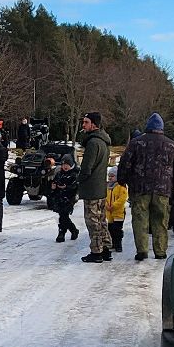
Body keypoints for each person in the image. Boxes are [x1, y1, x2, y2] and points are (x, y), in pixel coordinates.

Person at [116, 112, 174, 260]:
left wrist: (122, 180)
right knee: (160, 220)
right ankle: (160, 251)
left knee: (140, 219)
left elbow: (125, 163)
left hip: (139, 188)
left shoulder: (136, 143)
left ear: (147, 127)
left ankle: (142, 250)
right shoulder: (171, 144)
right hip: (163, 189)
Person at [76, 112, 113, 263]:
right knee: (101, 219)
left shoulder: (93, 143)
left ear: (94, 124)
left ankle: (96, 251)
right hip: (100, 187)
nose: (83, 125)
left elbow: (86, 168)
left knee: (93, 221)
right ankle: (105, 248)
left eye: (86, 122)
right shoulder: (103, 141)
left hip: (92, 188)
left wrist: (78, 180)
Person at [46, 156, 79, 242]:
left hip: (69, 198)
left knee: (63, 216)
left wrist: (66, 187)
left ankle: (62, 233)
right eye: (63, 164)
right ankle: (73, 230)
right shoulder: (59, 174)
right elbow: (54, 183)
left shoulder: (74, 174)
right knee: (63, 216)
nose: (65, 166)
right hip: (59, 198)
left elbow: (75, 187)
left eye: (67, 164)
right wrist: (53, 188)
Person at [105, 166, 128, 254]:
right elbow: (105, 198)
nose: (110, 178)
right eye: (109, 176)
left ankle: (118, 244)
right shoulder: (108, 187)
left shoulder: (121, 187)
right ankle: (113, 243)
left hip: (118, 213)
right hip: (109, 213)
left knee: (117, 230)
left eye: (112, 176)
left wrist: (114, 206)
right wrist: (106, 205)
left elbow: (122, 199)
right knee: (110, 229)